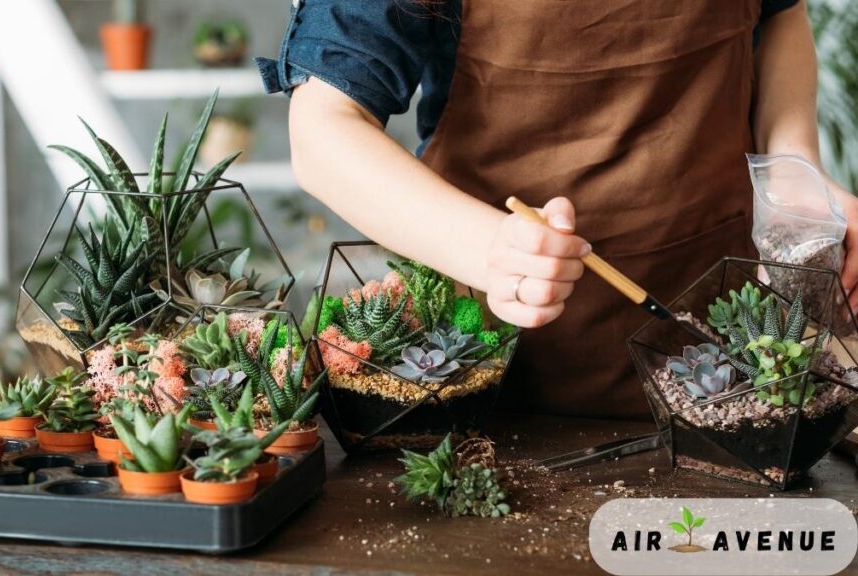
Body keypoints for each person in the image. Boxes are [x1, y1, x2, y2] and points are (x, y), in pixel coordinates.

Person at [257, 0, 858, 418]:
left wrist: (794, 176)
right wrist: (491, 251)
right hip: (482, 370)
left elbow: (783, 14)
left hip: (719, 340)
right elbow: (324, 130)